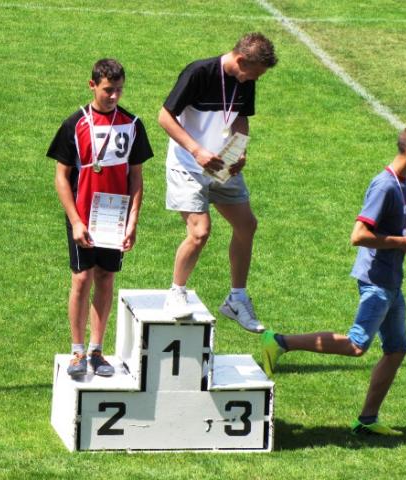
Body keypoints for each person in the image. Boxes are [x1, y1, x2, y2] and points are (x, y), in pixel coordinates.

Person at [259, 126, 406, 435]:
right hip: (377, 280)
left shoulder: (401, 183)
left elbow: (393, 221)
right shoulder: (384, 186)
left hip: (391, 280)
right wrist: (402, 242)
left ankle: (367, 421)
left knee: (396, 349)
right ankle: (279, 342)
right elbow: (358, 235)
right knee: (357, 345)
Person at [158, 32, 278, 332]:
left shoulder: (245, 79)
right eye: (255, 73)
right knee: (200, 232)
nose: (256, 80)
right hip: (188, 165)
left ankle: (236, 299)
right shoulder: (199, 72)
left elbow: (240, 117)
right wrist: (196, 151)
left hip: (222, 165)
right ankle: (176, 292)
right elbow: (165, 117)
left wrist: (240, 149)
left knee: (247, 225)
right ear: (241, 60)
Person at [47, 59, 153, 378]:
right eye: (108, 90)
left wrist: (132, 220)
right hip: (83, 213)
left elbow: (136, 177)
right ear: (92, 85)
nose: (114, 96)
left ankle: (96, 350)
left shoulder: (132, 125)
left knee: (106, 277)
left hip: (114, 215)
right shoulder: (75, 123)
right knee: (82, 278)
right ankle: (77, 351)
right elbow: (61, 177)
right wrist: (75, 221)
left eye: (119, 90)